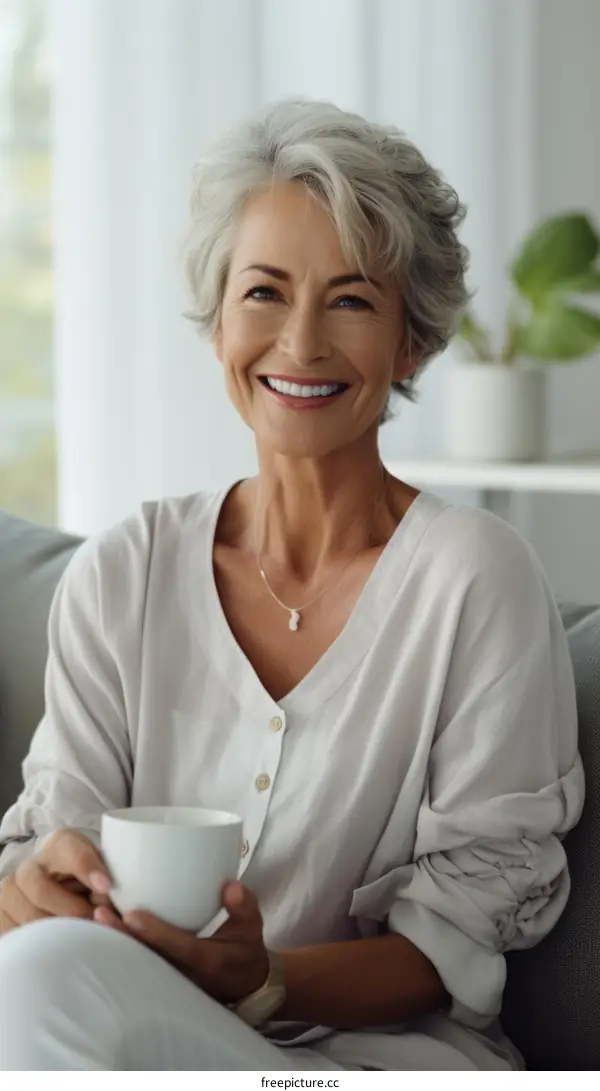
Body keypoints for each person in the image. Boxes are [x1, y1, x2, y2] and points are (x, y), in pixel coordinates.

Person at [0, 98, 584, 1072]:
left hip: (378, 1054)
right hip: (134, 1035)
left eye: (351, 299)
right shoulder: (123, 574)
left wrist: (261, 976)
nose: (301, 343)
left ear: (413, 339)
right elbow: (51, 854)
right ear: (218, 316)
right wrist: (31, 888)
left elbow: (458, 944)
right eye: (264, 291)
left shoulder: (476, 581)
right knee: (39, 971)